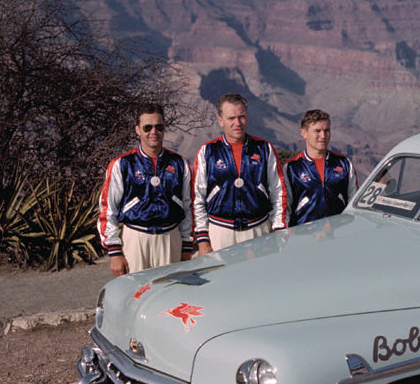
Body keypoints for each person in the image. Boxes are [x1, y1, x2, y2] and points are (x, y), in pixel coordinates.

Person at [98, 105, 194, 277]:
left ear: (165, 128)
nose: (153, 132)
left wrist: (187, 245)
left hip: (170, 238)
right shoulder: (122, 164)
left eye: (159, 127)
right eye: (147, 127)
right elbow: (108, 210)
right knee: (136, 295)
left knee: (171, 294)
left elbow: (188, 206)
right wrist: (115, 252)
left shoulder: (179, 163)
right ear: (138, 130)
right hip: (135, 239)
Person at [193, 93, 287, 254]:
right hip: (220, 232)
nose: (237, 123)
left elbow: (278, 192)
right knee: (221, 279)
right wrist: (202, 239)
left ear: (247, 117)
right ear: (220, 120)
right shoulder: (208, 151)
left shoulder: (264, 148)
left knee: (259, 278)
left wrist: (279, 230)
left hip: (259, 230)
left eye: (241, 117)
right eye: (231, 118)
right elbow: (197, 197)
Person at [284, 109, 358, 226]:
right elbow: (284, 207)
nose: (323, 136)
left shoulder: (343, 163)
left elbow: (354, 200)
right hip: (303, 234)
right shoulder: (292, 168)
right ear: (304, 133)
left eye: (326, 131)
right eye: (317, 131)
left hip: (338, 232)